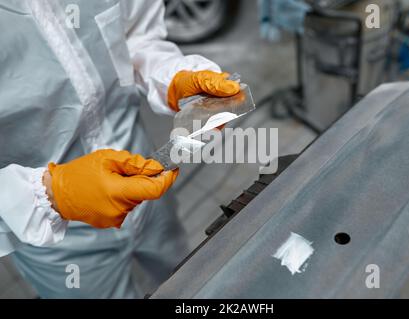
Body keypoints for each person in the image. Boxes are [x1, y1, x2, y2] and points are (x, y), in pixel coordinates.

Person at [0, 0, 240, 298]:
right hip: (54, 234)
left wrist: (172, 75)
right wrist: (50, 194)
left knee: (187, 279)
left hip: (145, 177)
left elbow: (133, 34)